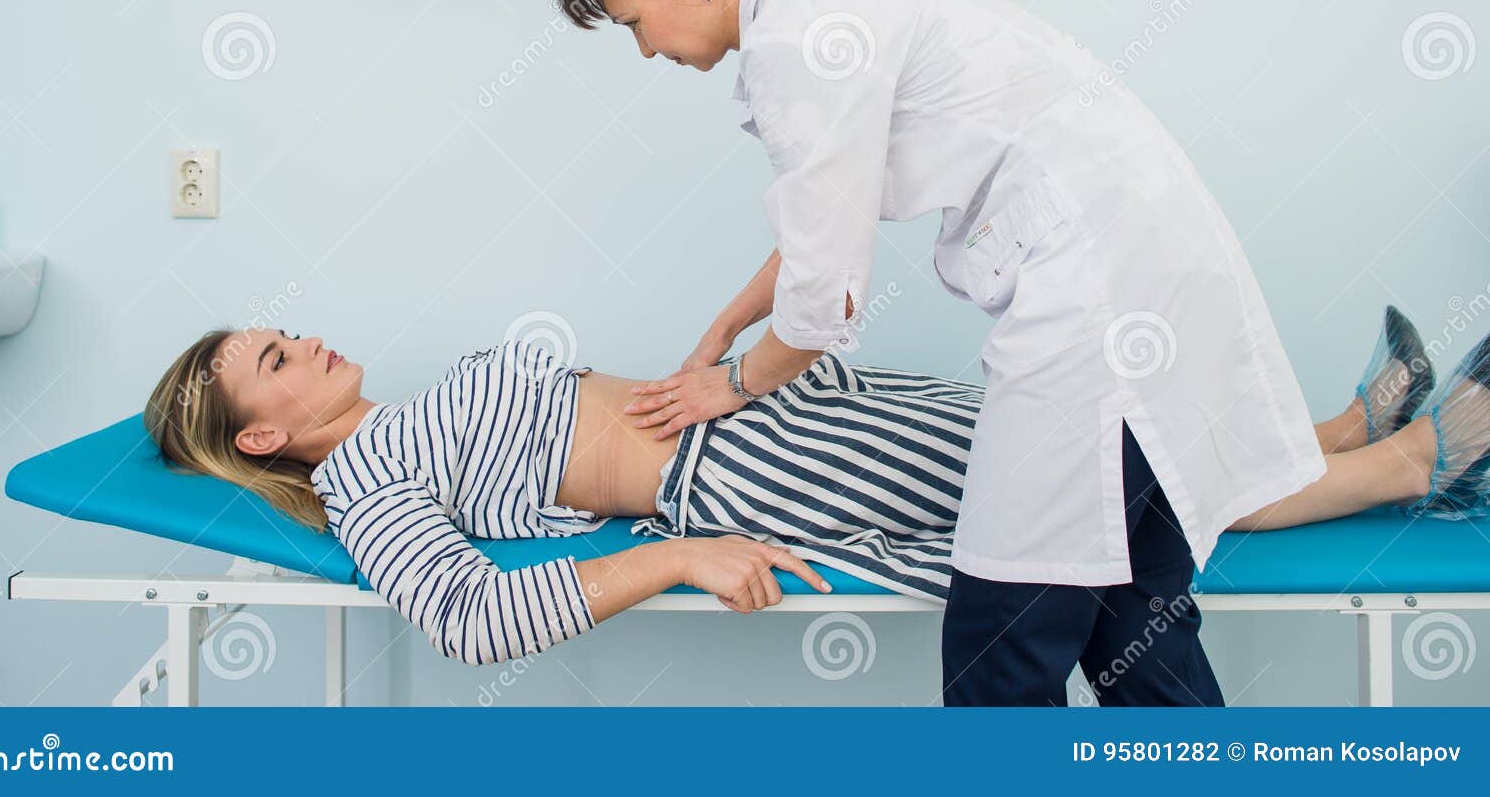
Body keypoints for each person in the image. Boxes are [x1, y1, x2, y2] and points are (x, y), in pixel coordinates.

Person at [550, 0, 1409, 704]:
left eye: (633, 21)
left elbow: (821, 304)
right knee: (1135, 632)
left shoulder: (800, 43)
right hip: (1140, 272)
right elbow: (821, 223)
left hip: (1096, 301)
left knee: (998, 654)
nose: (645, 49)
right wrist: (723, 330)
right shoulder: (826, 3)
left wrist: (728, 385)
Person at [141, 307, 1490, 692]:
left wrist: (723, 361)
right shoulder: (369, 475)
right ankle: (1411, 462)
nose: (301, 335)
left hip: (762, 410)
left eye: (282, 328)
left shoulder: (404, 410)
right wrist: (678, 554)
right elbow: (468, 616)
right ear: (264, 430)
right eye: (275, 356)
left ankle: (1332, 431)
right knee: (1077, 482)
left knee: (1071, 436)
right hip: (743, 471)